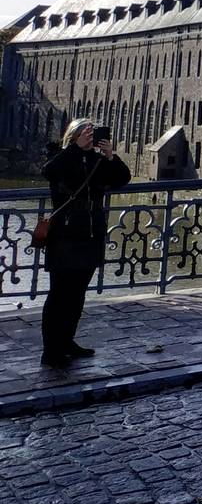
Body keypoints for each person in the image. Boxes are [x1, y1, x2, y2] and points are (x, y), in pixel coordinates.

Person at [39, 119, 130, 368]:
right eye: (85, 133)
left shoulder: (96, 160)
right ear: (74, 135)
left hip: (90, 233)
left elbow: (122, 179)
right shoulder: (61, 156)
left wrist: (110, 156)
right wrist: (75, 149)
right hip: (65, 234)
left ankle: (67, 342)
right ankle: (51, 350)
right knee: (59, 295)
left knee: (77, 294)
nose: (90, 137)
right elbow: (49, 172)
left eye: (92, 133)